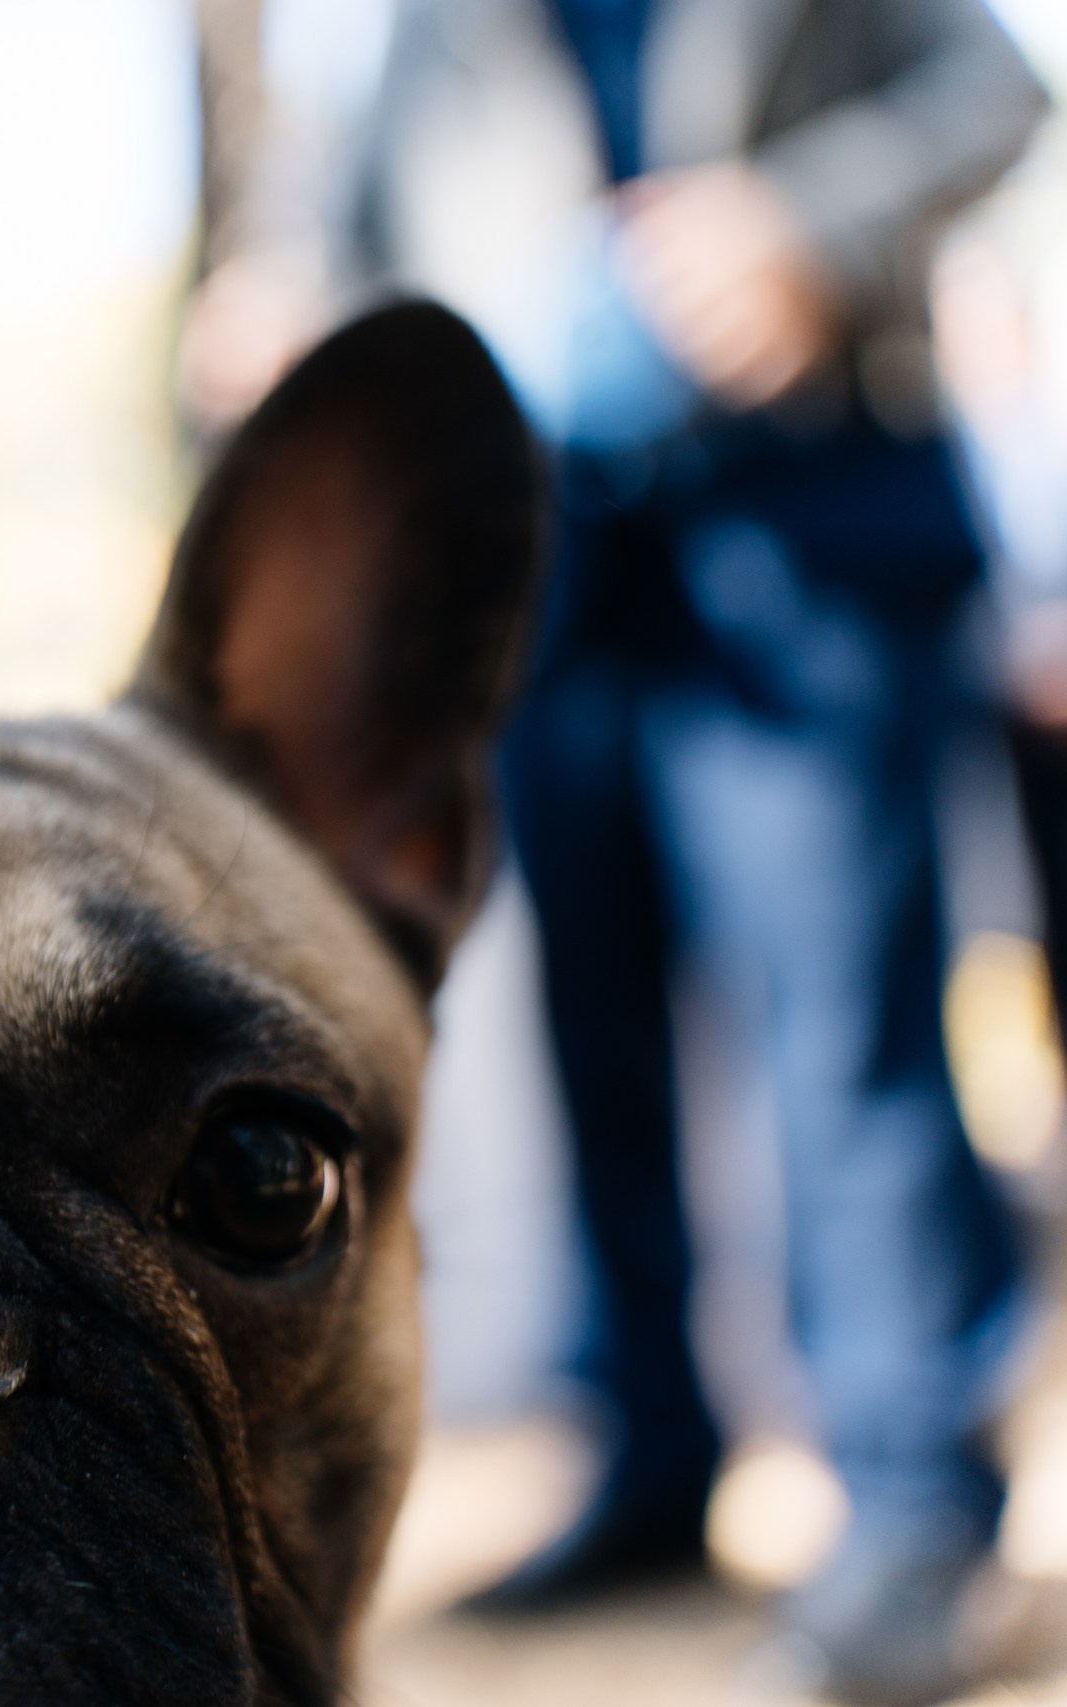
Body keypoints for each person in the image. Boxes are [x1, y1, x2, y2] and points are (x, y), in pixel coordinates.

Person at [184, 2, 1052, 1699]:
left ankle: (918, 1509)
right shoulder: (433, 25)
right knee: (593, 1030)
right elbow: (360, 218)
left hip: (806, 528)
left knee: (850, 1034)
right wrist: (296, 309)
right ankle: (653, 1461)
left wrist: (808, 229)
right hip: (555, 560)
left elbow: (996, 86)